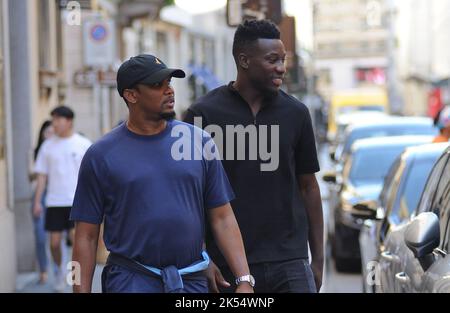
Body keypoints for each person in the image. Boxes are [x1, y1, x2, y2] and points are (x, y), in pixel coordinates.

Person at [71, 54, 253, 293]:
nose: (169, 91)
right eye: (157, 85)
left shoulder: (198, 141)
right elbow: (85, 237)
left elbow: (223, 218)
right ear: (131, 95)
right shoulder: (100, 155)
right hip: (130, 282)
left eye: (169, 83)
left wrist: (244, 280)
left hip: (191, 281)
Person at [184, 19, 324, 293]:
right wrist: (201, 256)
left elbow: (309, 187)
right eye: (272, 60)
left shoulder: (296, 114)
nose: (281, 68)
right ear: (244, 60)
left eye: (283, 60)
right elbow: (190, 193)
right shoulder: (203, 114)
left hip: (290, 261)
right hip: (227, 264)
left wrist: (317, 260)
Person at [33, 106, 92, 291]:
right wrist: (36, 201)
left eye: (58, 119)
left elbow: (91, 175)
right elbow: (41, 175)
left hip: (77, 201)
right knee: (54, 243)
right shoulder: (47, 146)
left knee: (76, 243)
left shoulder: (83, 144)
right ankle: (58, 270)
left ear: (69, 121)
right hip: (54, 202)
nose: (55, 124)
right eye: (53, 120)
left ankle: (73, 277)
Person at [30, 120, 54, 284]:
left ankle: (65, 272)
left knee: (60, 239)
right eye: (47, 132)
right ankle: (44, 270)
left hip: (60, 195)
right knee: (40, 236)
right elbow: (31, 175)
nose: (49, 136)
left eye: (52, 132)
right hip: (41, 195)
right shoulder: (36, 152)